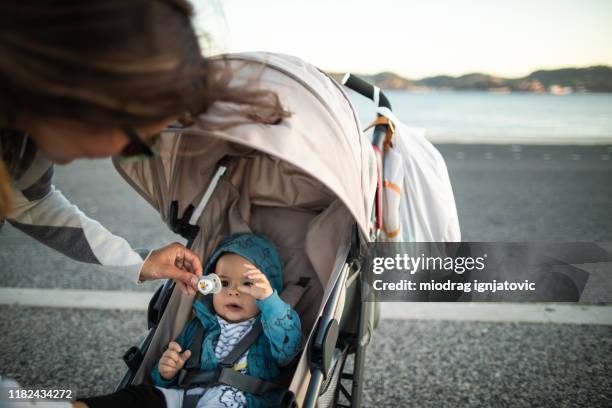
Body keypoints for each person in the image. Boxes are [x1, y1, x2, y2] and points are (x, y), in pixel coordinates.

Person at [77, 233, 302, 408]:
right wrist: (165, 372)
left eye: (248, 285)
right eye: (223, 283)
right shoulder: (198, 326)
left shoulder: (269, 327)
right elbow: (168, 371)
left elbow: (289, 348)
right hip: (186, 396)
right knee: (141, 398)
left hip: (240, 400)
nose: (233, 292)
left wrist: (270, 302)